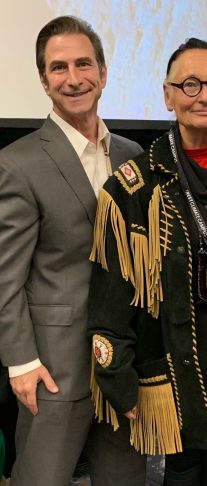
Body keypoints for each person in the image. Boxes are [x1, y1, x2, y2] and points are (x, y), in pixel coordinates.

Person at [87, 38, 207, 485]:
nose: (204, 95)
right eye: (189, 84)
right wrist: (114, 373)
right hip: (174, 359)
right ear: (168, 95)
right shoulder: (134, 187)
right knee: (184, 470)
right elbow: (111, 291)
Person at [0, 15, 147, 486]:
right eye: (59, 67)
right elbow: (6, 276)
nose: (74, 78)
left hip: (124, 364)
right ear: (44, 81)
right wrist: (21, 361)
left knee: (124, 479)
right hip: (54, 366)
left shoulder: (132, 155)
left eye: (84, 64)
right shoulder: (17, 163)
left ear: (103, 73)